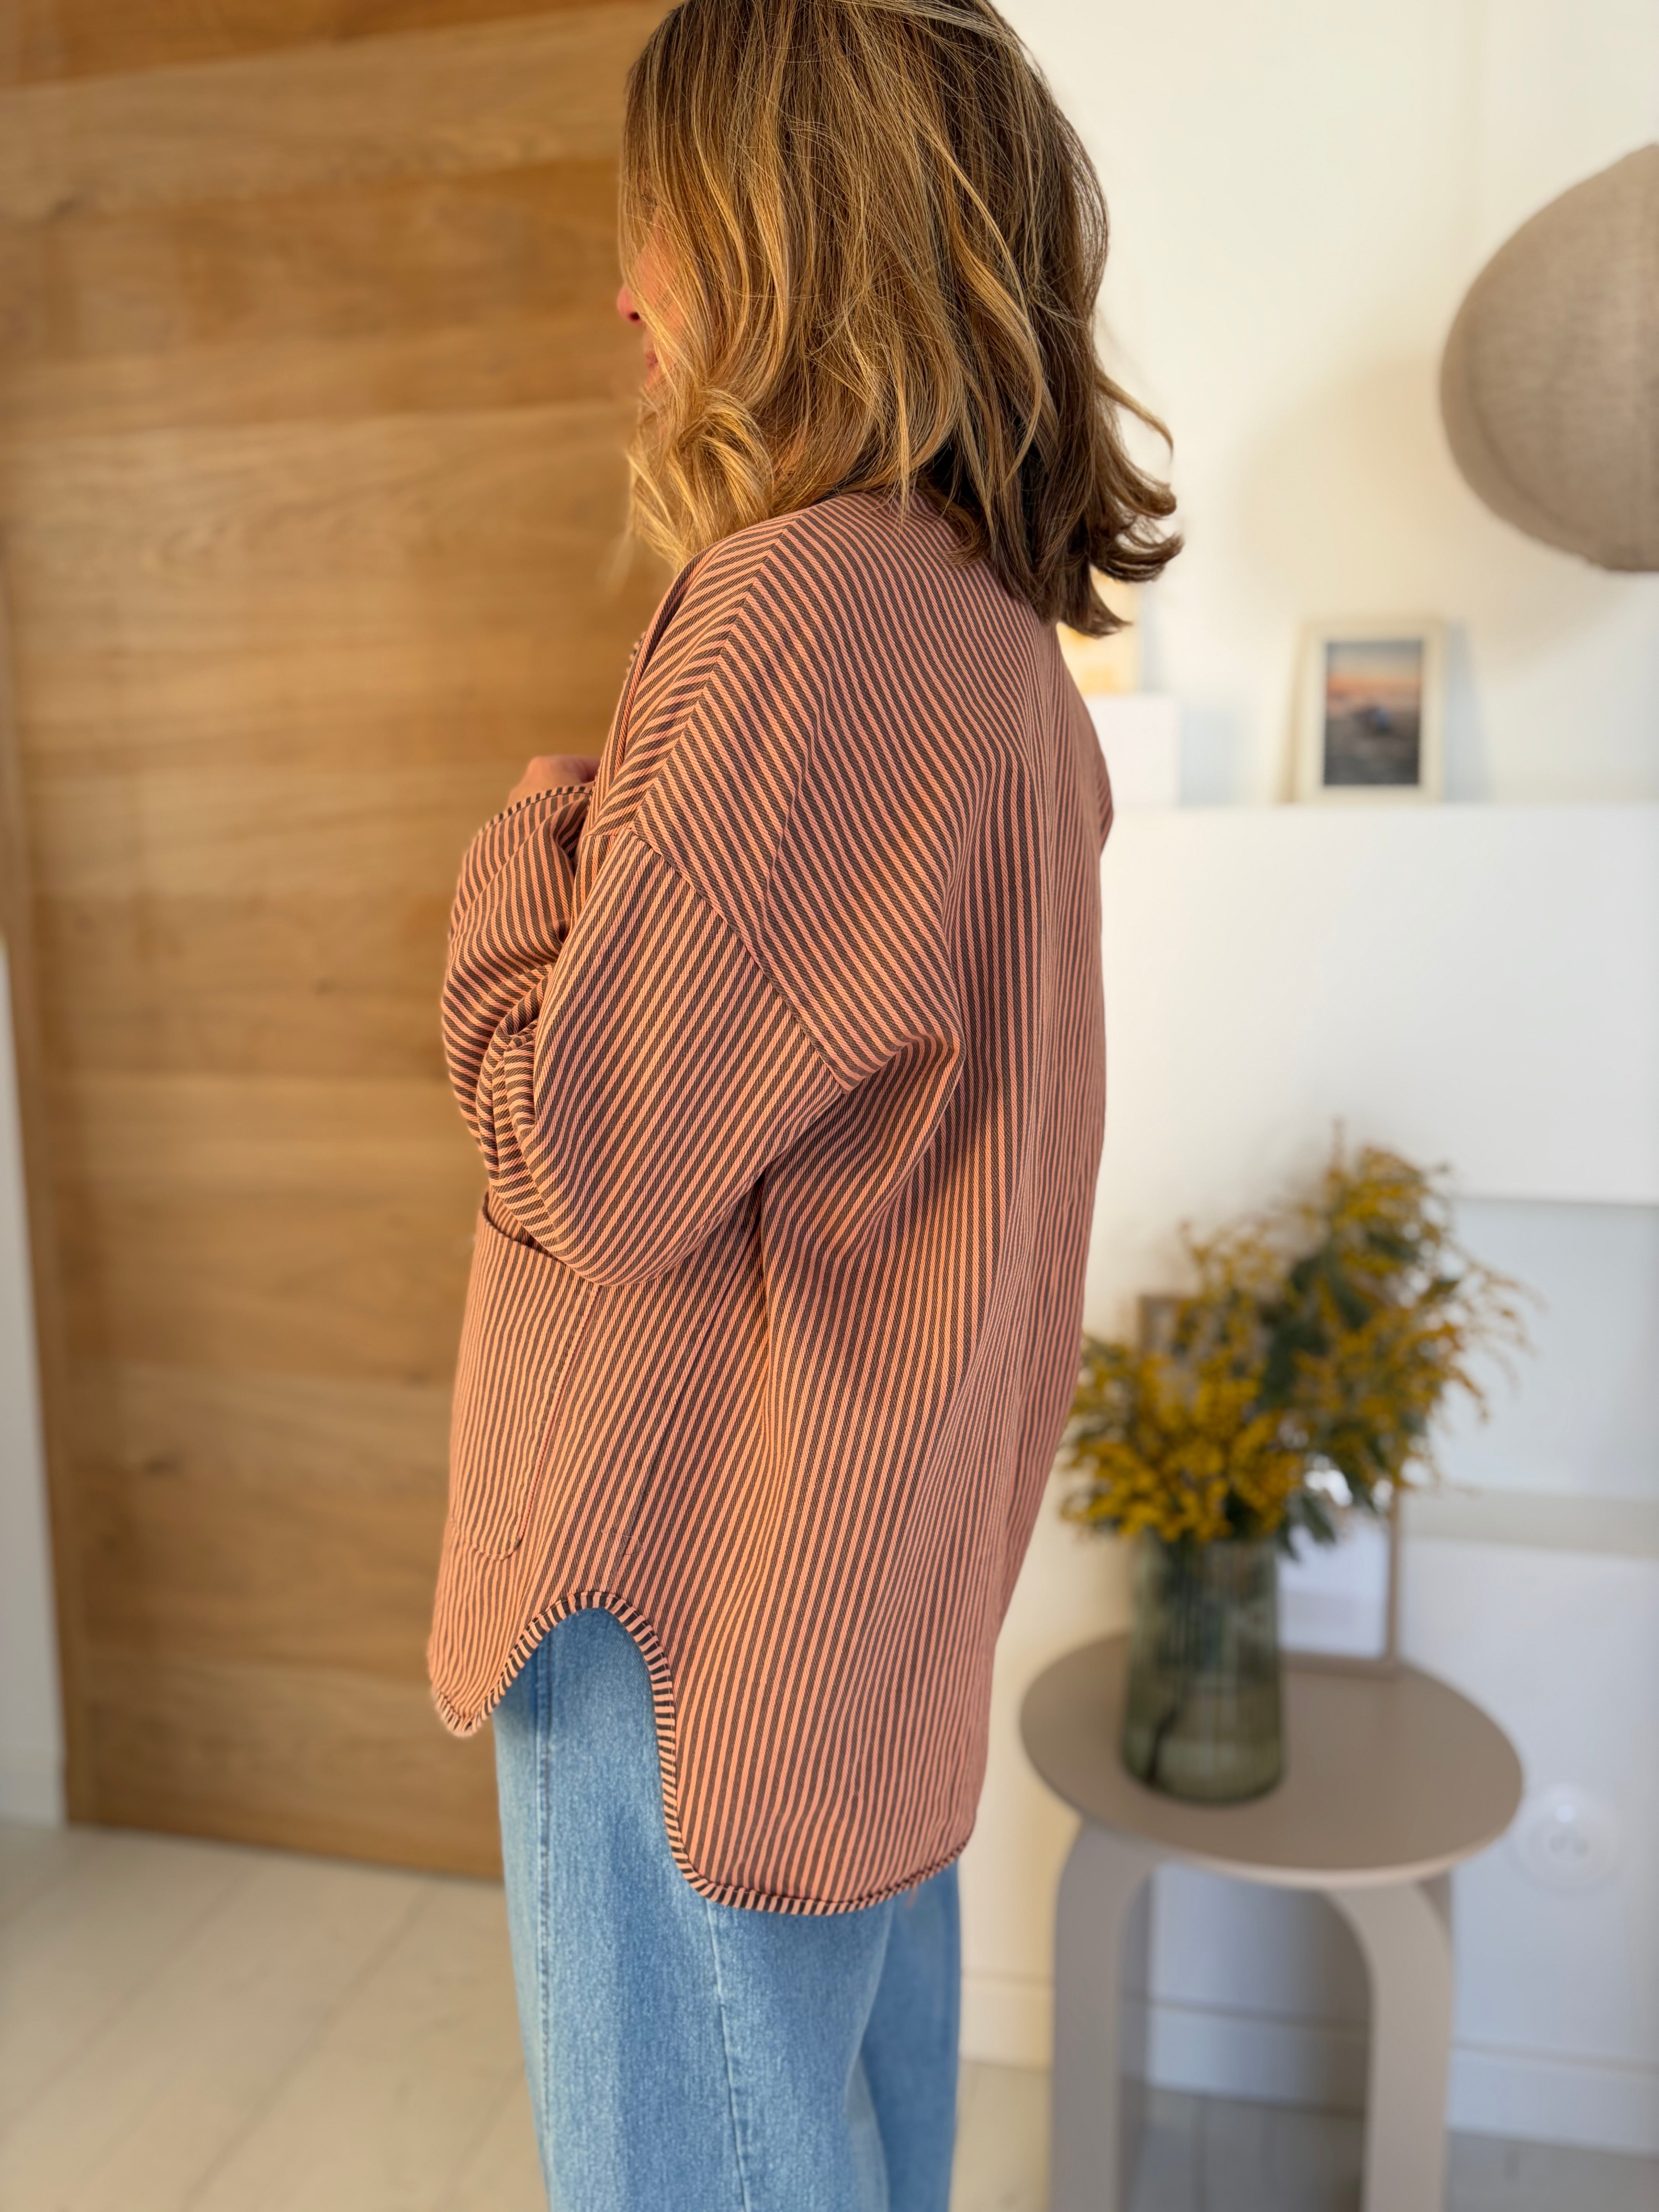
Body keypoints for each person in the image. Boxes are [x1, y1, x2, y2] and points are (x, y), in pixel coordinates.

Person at [427, 3, 1179, 2205]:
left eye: (658, 222)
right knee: (841, 2134)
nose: (627, 294)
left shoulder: (798, 613)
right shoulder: (1003, 654)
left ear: (782, 230)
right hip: (861, 1596)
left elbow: (583, 1160)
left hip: (685, 1596)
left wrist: (527, 852)